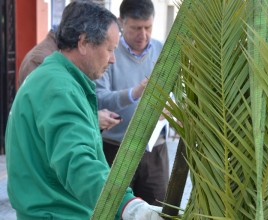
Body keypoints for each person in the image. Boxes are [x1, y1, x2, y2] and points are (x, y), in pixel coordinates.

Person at [5, 1, 163, 219]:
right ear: (83, 43)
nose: (113, 59)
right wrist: (128, 205)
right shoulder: (59, 88)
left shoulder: (54, 77)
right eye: (109, 49)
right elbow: (78, 162)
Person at [95, 0, 169, 206]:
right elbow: (99, 96)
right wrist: (134, 93)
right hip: (116, 148)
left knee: (158, 210)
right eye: (136, 28)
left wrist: (170, 110)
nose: (143, 35)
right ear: (121, 23)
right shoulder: (109, 51)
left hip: (155, 150)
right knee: (114, 208)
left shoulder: (162, 50)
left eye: (148, 27)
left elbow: (175, 93)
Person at [18, 23, 120, 131]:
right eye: (109, 49)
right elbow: (48, 119)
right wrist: (93, 119)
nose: (112, 59)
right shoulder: (41, 59)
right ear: (81, 40)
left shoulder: (58, 54)